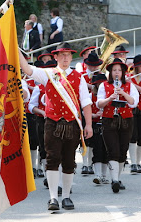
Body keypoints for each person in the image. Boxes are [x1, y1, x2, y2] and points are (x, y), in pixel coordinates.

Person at [19, 43, 93, 211]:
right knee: (52, 159)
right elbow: (27, 69)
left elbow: (86, 102)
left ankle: (66, 196)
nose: (65, 58)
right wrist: (16, 50)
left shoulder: (78, 77)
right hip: (52, 123)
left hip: (72, 124)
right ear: (56, 57)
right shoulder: (48, 74)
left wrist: (88, 124)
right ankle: (53, 197)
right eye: (62, 55)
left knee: (69, 161)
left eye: (68, 55)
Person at [96, 58, 139, 193]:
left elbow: (134, 102)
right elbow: (99, 104)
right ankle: (114, 180)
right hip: (109, 120)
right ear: (110, 72)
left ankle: (117, 178)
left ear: (123, 72)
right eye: (114, 70)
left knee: (122, 150)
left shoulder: (129, 85)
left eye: (119, 70)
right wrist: (110, 98)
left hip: (126, 120)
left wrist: (122, 93)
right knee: (113, 150)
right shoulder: (104, 85)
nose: (117, 73)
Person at [80, 52, 103, 175]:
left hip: (95, 104)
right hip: (83, 106)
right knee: (85, 139)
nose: (93, 68)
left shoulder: (101, 75)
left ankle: (92, 164)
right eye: (91, 66)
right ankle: (85, 164)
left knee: (95, 140)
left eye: (95, 66)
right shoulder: (82, 76)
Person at [89, 73, 110, 185]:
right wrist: (94, 115)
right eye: (98, 84)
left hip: (107, 124)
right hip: (95, 124)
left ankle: (104, 175)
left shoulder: (110, 94)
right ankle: (97, 175)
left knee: (106, 150)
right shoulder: (90, 96)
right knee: (97, 150)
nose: (101, 85)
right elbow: (84, 111)